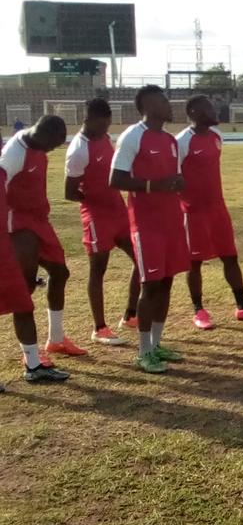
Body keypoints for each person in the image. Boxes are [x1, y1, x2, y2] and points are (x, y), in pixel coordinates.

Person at [110, 86, 191, 373]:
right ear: (149, 104)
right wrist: (152, 186)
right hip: (147, 225)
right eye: (164, 100)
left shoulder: (170, 140)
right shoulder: (133, 136)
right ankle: (143, 352)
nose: (170, 105)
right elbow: (115, 179)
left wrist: (177, 183)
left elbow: (174, 175)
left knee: (167, 281)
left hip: (171, 221)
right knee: (151, 284)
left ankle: (157, 344)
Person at [1, 115, 88, 360]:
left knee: (60, 272)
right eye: (53, 144)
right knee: (24, 288)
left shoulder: (39, 146)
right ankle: (30, 354)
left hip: (40, 221)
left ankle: (56, 339)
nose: (53, 149)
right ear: (43, 134)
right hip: (18, 224)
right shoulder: (14, 154)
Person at [177, 95, 243, 329]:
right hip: (192, 212)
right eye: (208, 108)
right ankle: (198, 311)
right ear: (195, 112)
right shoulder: (182, 142)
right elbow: (174, 178)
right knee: (194, 262)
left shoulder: (217, 137)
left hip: (218, 209)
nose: (214, 111)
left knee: (230, 256)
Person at [63, 98, 140, 345]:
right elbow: (69, 191)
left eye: (108, 124)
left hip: (119, 212)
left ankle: (130, 314)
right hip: (97, 217)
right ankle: (99, 328)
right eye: (102, 124)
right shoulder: (78, 149)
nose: (106, 129)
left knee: (141, 259)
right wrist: (96, 198)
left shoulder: (105, 139)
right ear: (88, 120)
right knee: (99, 269)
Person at [0, 133, 69, 386]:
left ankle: (34, 364)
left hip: (17, 236)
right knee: (20, 298)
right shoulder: (11, 161)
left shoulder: (4, 171)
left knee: (23, 301)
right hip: (13, 234)